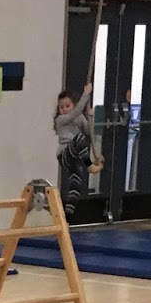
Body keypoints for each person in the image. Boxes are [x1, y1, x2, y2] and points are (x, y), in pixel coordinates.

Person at [54, 85, 94, 219]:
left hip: (74, 157)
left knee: (76, 185)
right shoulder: (60, 120)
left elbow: (89, 132)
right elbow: (75, 113)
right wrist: (86, 94)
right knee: (79, 138)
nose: (64, 109)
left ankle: (68, 217)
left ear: (73, 105)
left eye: (67, 106)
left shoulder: (79, 117)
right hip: (64, 155)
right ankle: (89, 165)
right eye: (61, 107)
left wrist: (91, 118)